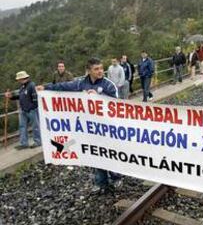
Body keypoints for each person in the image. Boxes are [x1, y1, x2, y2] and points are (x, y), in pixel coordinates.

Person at [37, 58, 122, 194]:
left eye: (101, 68)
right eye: (96, 69)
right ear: (88, 71)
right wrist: (46, 88)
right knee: (95, 154)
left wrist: (100, 97)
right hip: (89, 128)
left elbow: (116, 105)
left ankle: (116, 177)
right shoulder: (81, 83)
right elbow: (64, 86)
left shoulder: (108, 85)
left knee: (109, 153)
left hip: (106, 128)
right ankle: (101, 183)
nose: (100, 71)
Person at [5, 71, 41, 150]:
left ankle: (38, 141)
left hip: (32, 110)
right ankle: (24, 143)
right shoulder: (22, 86)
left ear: (23, 78)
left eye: (19, 79)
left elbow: (35, 98)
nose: (18, 81)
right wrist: (11, 97)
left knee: (35, 126)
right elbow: (20, 96)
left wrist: (33, 107)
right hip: (24, 110)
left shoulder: (31, 85)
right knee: (22, 126)